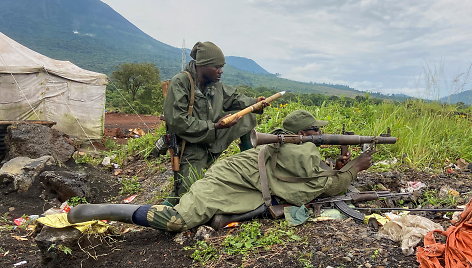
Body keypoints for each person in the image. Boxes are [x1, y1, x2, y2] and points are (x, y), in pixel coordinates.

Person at [68, 110, 373, 232]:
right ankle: (102, 210)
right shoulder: (299, 150)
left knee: (189, 213)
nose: (320, 135)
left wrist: (339, 168)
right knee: (177, 221)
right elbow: (327, 187)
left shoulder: (294, 146)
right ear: (306, 132)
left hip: (239, 182)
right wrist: (355, 167)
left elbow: (313, 177)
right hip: (226, 181)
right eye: (316, 131)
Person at [162, 41, 267, 205]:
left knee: (244, 115)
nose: (221, 71)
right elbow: (177, 121)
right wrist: (214, 126)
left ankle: (250, 161)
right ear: (202, 66)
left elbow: (234, 98)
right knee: (186, 196)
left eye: (221, 66)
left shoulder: (215, 85)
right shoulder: (181, 82)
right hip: (191, 147)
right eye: (217, 67)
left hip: (213, 138)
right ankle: (157, 214)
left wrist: (255, 103)